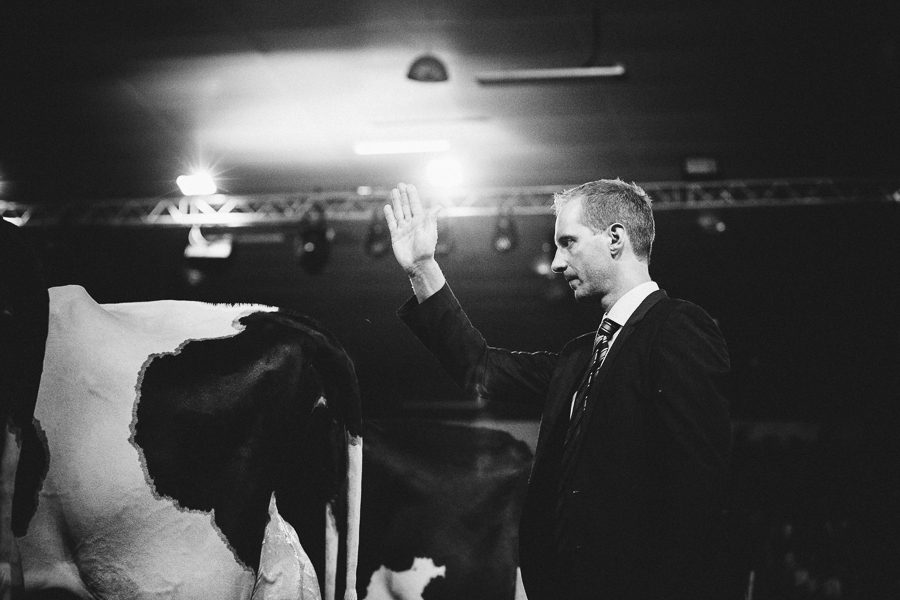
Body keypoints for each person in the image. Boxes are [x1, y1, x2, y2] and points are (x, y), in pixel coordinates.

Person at [383, 180, 731, 600]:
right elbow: (481, 368)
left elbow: (697, 492)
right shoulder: (579, 358)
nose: (556, 264)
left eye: (568, 243)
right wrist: (423, 268)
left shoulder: (676, 328)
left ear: (615, 238)